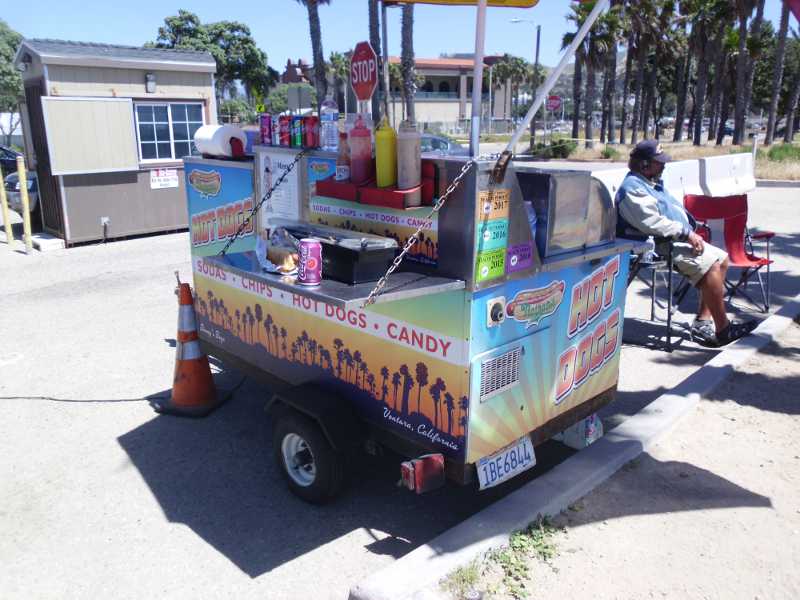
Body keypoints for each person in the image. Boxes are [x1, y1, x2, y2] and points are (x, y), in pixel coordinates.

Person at [615, 140, 756, 347]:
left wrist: (691, 228)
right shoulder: (633, 189)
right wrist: (687, 234)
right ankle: (723, 329)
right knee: (711, 266)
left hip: (673, 239)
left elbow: (670, 212)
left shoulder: (649, 183)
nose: (663, 166)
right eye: (658, 162)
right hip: (656, 245)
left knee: (722, 259)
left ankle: (702, 322)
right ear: (644, 165)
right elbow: (653, 224)